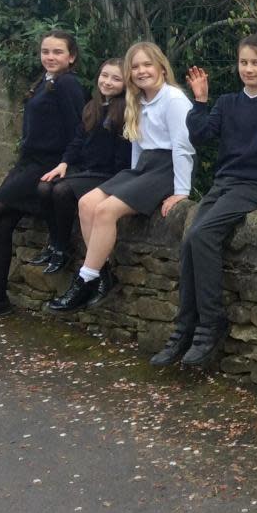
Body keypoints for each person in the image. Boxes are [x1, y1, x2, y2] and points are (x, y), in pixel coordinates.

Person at [150, 34, 257, 367]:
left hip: (255, 186)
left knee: (204, 235)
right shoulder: (229, 103)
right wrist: (201, 101)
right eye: (243, 62)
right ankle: (184, 328)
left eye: (256, 63)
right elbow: (201, 135)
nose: (248, 69)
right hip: (224, 183)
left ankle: (210, 325)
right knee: (191, 238)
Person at [0, 30, 87, 324]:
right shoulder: (45, 81)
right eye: (46, 51)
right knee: (3, 222)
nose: (50, 57)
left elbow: (78, 130)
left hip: (46, 167)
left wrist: (65, 165)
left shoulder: (68, 84)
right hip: (27, 164)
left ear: (71, 57)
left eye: (58, 52)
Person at [47, 41, 195, 312]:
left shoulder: (174, 99)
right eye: (135, 66)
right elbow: (138, 142)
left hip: (166, 168)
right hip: (143, 167)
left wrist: (182, 191)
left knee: (105, 211)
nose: (141, 71)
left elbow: (183, 148)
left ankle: (84, 279)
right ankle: (101, 274)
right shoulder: (137, 99)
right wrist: (132, 177)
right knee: (86, 203)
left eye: (147, 64)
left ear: (161, 66)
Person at [29, 58, 133, 274]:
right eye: (104, 76)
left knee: (61, 191)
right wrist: (64, 163)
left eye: (116, 78)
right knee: (44, 186)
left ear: (126, 84)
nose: (108, 82)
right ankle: (57, 244)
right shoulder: (92, 106)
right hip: (86, 169)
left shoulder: (125, 111)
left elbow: (123, 157)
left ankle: (63, 248)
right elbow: (77, 141)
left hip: (109, 175)